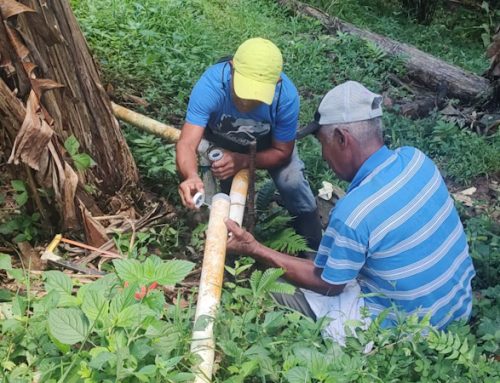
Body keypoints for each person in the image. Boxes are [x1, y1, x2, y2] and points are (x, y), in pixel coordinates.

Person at [224, 80, 475, 342]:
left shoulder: (354, 213)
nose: (323, 155)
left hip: (411, 334)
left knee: (264, 284)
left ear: (342, 139)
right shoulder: (416, 159)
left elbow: (329, 285)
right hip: (456, 312)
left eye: (323, 143)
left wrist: (255, 249)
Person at [176, 37, 322, 255]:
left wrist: (242, 161)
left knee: (292, 181)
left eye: (256, 95)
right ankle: (206, 237)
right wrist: (190, 175)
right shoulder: (212, 85)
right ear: (232, 68)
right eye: (243, 91)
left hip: (267, 146)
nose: (246, 102)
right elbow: (187, 142)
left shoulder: (285, 97)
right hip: (219, 141)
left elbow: (283, 152)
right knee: (208, 188)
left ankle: (310, 243)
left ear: (276, 84)